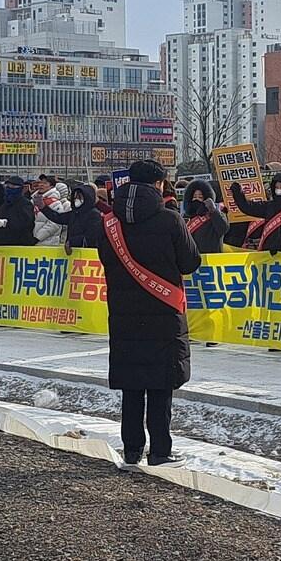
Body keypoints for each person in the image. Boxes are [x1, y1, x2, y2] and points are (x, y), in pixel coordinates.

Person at [88, 159, 201, 468]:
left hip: (124, 313)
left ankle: (132, 451)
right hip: (163, 312)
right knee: (160, 385)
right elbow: (191, 262)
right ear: (159, 184)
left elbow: (105, 260)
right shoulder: (169, 220)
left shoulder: (108, 223)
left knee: (133, 384)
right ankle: (161, 452)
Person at [230, 173, 281, 254]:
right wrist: (238, 194)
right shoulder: (270, 205)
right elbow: (249, 208)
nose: (279, 190)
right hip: (270, 253)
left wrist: (278, 244)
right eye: (277, 187)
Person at [40, 181, 103, 251]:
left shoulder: (94, 214)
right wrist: (43, 208)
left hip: (88, 252)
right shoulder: (75, 213)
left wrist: (73, 242)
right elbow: (58, 217)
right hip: (72, 251)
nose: (76, 199)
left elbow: (91, 236)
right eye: (75, 197)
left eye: (79, 197)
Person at [0, 176, 35, 246]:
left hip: (20, 244)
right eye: (8, 186)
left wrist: (6, 223)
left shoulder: (25, 203)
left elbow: (25, 223)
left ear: (20, 188)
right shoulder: (5, 204)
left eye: (14, 186)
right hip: (4, 243)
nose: (10, 188)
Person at [183, 180, 228, 254]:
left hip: (212, 259)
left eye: (200, 197)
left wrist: (213, 211)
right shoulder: (186, 216)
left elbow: (223, 228)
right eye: (194, 197)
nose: (197, 199)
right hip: (192, 259)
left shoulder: (216, 213)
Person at [33, 181, 72, 246]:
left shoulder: (56, 202)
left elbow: (56, 223)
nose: (41, 185)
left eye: (45, 183)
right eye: (39, 183)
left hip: (48, 243)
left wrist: (37, 237)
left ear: (52, 187)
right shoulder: (34, 200)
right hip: (35, 243)